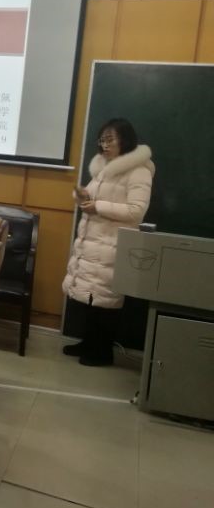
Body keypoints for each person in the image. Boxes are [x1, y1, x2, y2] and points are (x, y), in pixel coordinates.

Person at [62, 118, 154, 366]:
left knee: (106, 301)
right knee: (91, 299)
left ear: (125, 139)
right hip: (93, 243)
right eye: (102, 139)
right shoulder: (105, 167)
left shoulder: (138, 171)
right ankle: (88, 343)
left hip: (113, 245)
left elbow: (136, 211)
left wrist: (98, 206)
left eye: (110, 139)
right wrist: (82, 196)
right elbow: (93, 198)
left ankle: (102, 352)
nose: (104, 144)